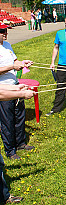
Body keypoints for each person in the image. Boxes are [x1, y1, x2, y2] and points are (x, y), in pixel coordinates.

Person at [0, 26, 34, 160]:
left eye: (6, 31)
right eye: (2, 32)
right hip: (4, 90)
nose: (5, 34)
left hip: (15, 85)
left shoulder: (7, 45)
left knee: (19, 117)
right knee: (7, 121)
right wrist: (12, 67)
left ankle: (20, 143)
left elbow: (14, 61)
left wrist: (22, 63)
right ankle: (10, 150)